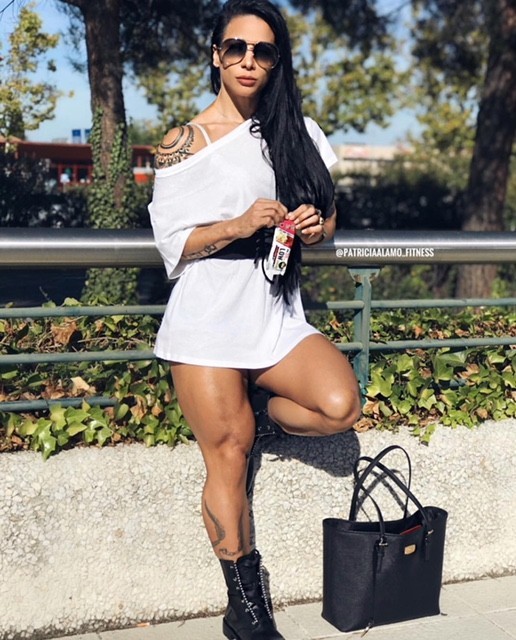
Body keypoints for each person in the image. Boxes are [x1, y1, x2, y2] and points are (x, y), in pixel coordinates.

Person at [148, 1, 361, 638]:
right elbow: (174, 245)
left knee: (339, 405)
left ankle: (260, 412)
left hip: (275, 311)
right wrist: (238, 225)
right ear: (216, 54)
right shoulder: (183, 142)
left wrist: (317, 227)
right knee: (228, 455)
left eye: (263, 51)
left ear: (276, 62)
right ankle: (246, 606)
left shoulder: (299, 130)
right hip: (208, 318)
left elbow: (330, 217)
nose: (248, 61)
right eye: (236, 48)